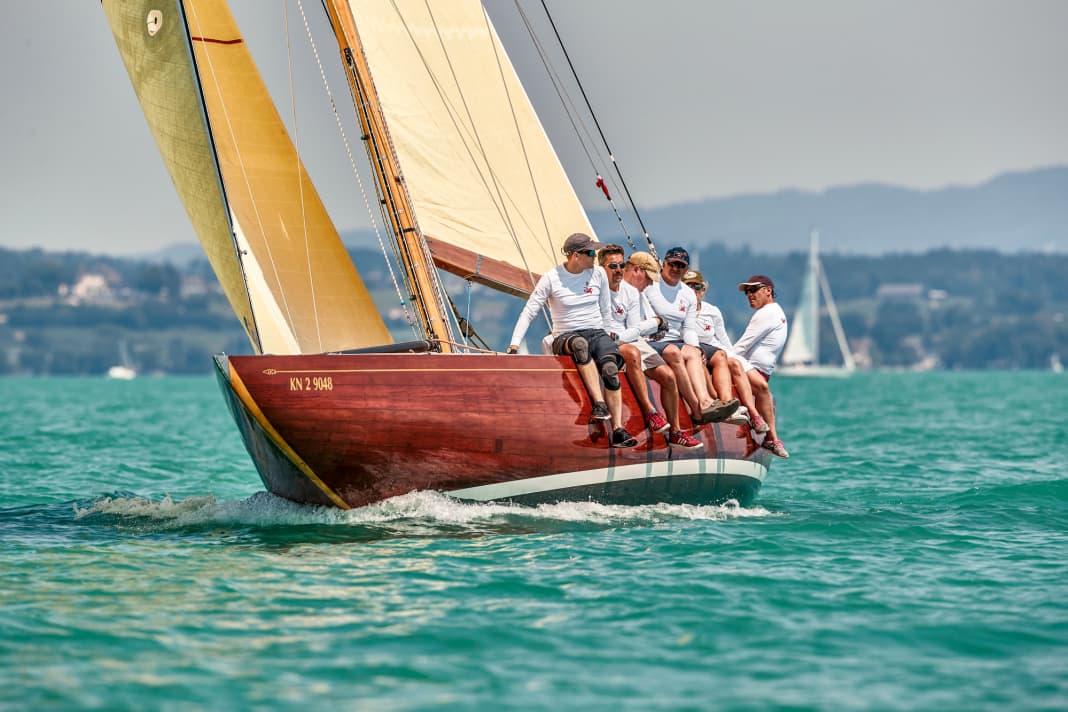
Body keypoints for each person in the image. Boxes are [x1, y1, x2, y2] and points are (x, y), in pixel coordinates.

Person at [506, 233, 638, 448]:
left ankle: (618, 430)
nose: (595, 256)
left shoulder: (598, 274)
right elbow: (530, 311)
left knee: (610, 368)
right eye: (590, 253)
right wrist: (514, 344)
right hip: (565, 335)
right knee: (579, 345)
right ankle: (599, 404)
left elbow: (605, 311)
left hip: (596, 331)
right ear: (576, 255)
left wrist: (610, 339)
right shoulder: (552, 278)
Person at [598, 246, 702, 449]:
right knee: (633, 352)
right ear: (637, 270)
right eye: (648, 279)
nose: (649, 285)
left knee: (669, 377)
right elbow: (623, 334)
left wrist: (649, 328)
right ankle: (651, 412)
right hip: (611, 341)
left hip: (631, 340)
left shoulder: (634, 293)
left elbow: (634, 329)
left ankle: (676, 432)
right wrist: (653, 323)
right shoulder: (600, 288)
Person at [642, 247, 739, 425]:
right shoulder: (650, 286)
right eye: (672, 264)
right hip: (651, 340)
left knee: (695, 353)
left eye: (681, 266)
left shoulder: (688, 295)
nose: (676, 268)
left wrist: (696, 347)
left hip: (675, 341)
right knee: (679, 353)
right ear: (664, 263)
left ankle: (706, 401)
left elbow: (689, 329)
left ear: (685, 270)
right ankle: (699, 405)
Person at [682, 270, 770, 435]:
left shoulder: (712, 311)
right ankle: (717, 404)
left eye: (697, 287)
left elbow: (724, 342)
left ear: (704, 289)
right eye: (689, 287)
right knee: (701, 360)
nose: (694, 291)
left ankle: (753, 414)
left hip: (713, 351)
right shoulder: (678, 310)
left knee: (733, 363)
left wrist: (740, 360)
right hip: (691, 351)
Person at [729, 275, 789, 458]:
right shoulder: (772, 311)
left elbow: (741, 347)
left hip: (754, 370)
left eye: (753, 290)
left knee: (764, 391)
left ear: (768, 290)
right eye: (747, 292)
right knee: (764, 390)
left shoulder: (768, 312)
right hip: (751, 371)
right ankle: (772, 439)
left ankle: (767, 437)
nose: (749, 295)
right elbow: (741, 349)